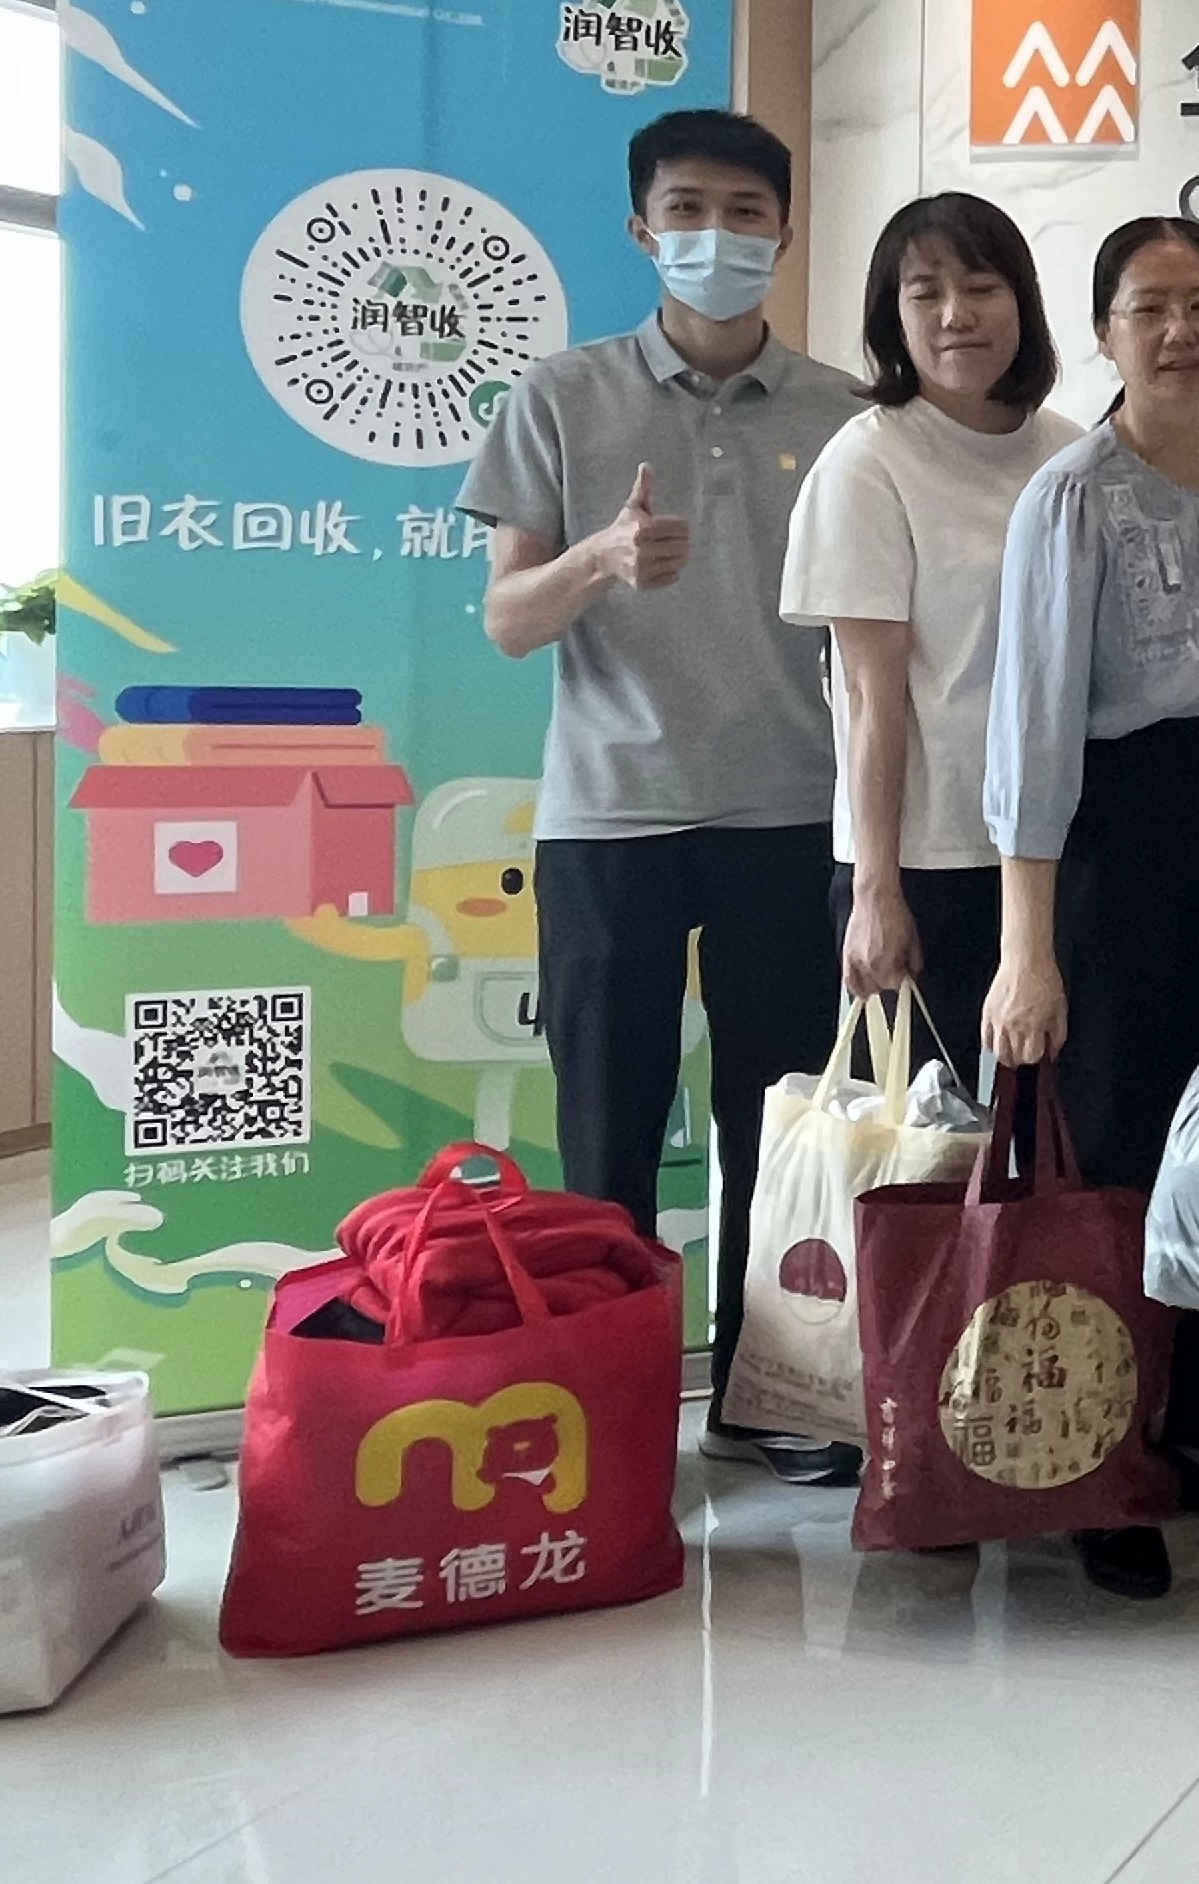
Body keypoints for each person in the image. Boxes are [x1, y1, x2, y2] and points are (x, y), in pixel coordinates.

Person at [458, 107, 860, 1485]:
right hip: (610, 817)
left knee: (779, 1130)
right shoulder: (558, 395)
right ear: (642, 229)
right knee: (607, 1133)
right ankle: (608, 1406)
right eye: (688, 210)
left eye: (747, 213)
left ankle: (764, 1395)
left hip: (792, 814)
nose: (718, 237)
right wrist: (599, 559)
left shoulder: (845, 414)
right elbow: (507, 621)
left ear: (784, 232)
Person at [978, 213, 1199, 1598]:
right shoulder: (1072, 495)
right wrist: (1026, 951)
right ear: (1104, 332)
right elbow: (1032, 733)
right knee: (1115, 1159)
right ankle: (1096, 1458)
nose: (1180, 332)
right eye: (1149, 307)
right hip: (1116, 852)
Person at [780, 191, 1082, 1093]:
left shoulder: (1070, 455)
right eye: (926, 292)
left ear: (1023, 303)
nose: (957, 314)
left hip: (1052, 857)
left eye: (982, 287)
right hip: (927, 860)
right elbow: (869, 696)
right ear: (893, 317)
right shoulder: (868, 460)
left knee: (1049, 1140)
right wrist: (877, 891)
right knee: (926, 1149)